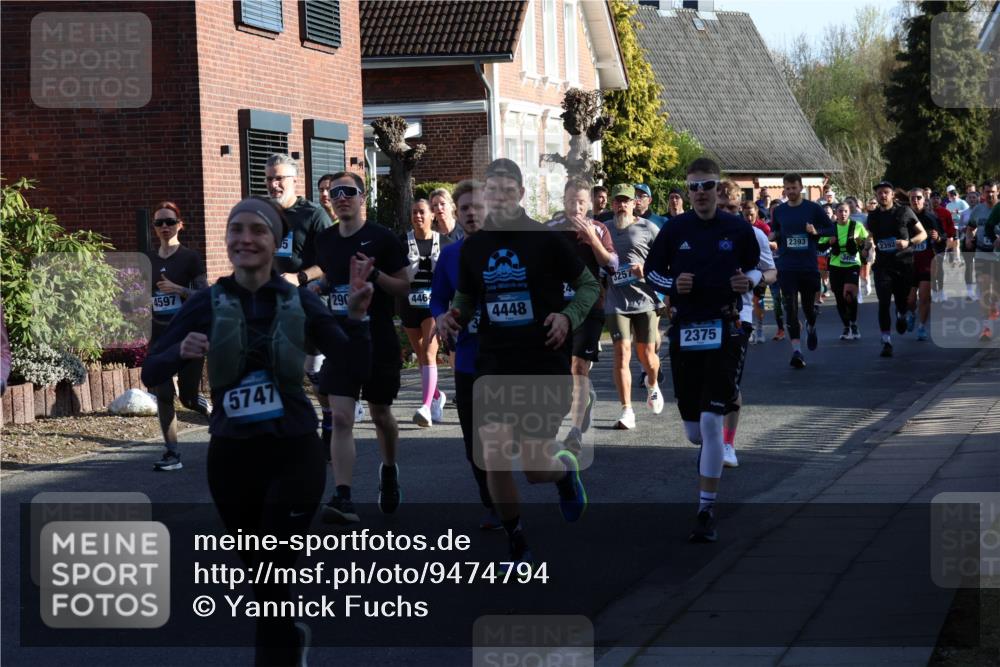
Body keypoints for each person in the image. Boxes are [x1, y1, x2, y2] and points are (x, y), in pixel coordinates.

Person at [141, 196, 373, 666]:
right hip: (231, 456)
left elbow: (351, 363)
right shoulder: (208, 301)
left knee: (274, 569)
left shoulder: (299, 300)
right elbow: (151, 372)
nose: (245, 238)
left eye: (257, 230)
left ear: (274, 241)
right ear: (226, 240)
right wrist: (179, 351)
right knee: (261, 576)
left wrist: (359, 317)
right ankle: (287, 637)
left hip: (294, 451)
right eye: (236, 230)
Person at [437, 158, 598, 564]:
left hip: (542, 359)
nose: (499, 198)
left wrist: (567, 316)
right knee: (491, 453)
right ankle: (517, 538)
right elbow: (467, 297)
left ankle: (563, 472)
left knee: (534, 467)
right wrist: (452, 316)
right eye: (493, 192)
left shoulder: (545, 240)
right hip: (493, 362)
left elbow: (588, 285)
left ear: (522, 195)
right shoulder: (474, 247)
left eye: (508, 191)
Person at [645, 157, 761, 542]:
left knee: (712, 423)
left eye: (706, 186)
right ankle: (708, 454)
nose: (699, 194)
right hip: (686, 330)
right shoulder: (675, 229)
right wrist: (672, 283)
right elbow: (652, 271)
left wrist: (751, 281)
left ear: (717, 188)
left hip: (725, 327)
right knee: (694, 432)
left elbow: (757, 266)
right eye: (692, 187)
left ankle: (705, 509)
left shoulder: (736, 227)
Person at [313, 172, 412, 524]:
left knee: (380, 415)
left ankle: (388, 468)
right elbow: (332, 276)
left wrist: (375, 279)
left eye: (348, 192)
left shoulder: (382, 238)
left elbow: (404, 285)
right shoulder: (324, 240)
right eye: (334, 192)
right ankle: (343, 496)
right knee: (340, 417)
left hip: (379, 339)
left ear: (362, 196)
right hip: (341, 339)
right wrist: (318, 288)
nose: (341, 197)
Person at [430, 180, 498, 528]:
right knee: (475, 443)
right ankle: (495, 506)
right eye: (465, 209)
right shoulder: (450, 255)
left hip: (506, 358)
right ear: (457, 215)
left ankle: (556, 475)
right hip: (469, 359)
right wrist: (440, 316)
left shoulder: (507, 251)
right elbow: (437, 297)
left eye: (477, 207)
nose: (471, 213)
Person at [545, 178, 618, 450]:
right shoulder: (549, 230)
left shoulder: (599, 229)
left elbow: (612, 265)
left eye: (581, 202)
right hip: (557, 309)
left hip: (590, 307)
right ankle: (583, 401)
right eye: (571, 201)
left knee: (578, 367)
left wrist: (592, 242)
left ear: (588, 204)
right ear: (563, 202)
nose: (576, 207)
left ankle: (574, 432)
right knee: (561, 370)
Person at [145, 201, 210, 471]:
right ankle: (172, 453)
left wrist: (178, 289)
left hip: (187, 335)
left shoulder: (190, 258)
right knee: (162, 394)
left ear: (180, 225)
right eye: (159, 223)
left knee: (188, 399)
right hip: (159, 335)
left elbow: (205, 296)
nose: (164, 227)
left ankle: (210, 411)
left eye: (169, 222)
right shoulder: (148, 259)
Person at [722, 190, 776, 467]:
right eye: (723, 207)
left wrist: (753, 279)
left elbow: (771, 271)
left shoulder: (754, 235)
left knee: (729, 381)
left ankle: (728, 443)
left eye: (733, 208)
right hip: (700, 315)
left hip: (738, 314)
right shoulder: (695, 231)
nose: (728, 213)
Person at [605, 183, 663, 429]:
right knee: (621, 354)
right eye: (617, 201)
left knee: (647, 356)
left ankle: (652, 383)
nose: (621, 205)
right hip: (616, 301)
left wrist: (645, 269)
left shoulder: (648, 228)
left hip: (645, 300)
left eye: (626, 201)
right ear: (612, 204)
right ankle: (627, 410)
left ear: (634, 203)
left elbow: (664, 260)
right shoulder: (604, 229)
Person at [769, 173, 835, 369]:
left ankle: (811, 325)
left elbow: (830, 229)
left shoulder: (813, 208)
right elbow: (776, 230)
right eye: (787, 188)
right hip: (787, 266)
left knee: (807, 308)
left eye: (793, 188)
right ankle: (796, 350)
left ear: (801, 188)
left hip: (807, 265)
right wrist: (771, 236)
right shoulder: (779, 211)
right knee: (790, 307)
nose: (790, 192)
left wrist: (816, 232)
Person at [400, 199, 452, 426]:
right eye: (414, 213)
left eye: (422, 212)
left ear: (432, 215)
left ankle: (425, 407)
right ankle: (437, 397)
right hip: (409, 305)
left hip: (434, 306)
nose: (417, 216)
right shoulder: (403, 242)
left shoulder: (444, 242)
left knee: (430, 354)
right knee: (421, 357)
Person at [867, 181, 927, 358]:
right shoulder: (873, 216)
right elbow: (871, 237)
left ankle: (902, 315)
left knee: (903, 302)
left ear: (892, 194)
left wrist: (908, 242)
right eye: (879, 193)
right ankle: (886, 341)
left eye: (886, 192)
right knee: (884, 302)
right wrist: (867, 245)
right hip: (883, 266)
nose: (883, 196)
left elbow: (922, 234)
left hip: (903, 264)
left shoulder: (904, 211)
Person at [819, 202, 870, 340]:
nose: (843, 214)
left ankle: (853, 322)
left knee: (849, 294)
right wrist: (829, 242)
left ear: (849, 212)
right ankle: (846, 326)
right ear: (836, 213)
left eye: (846, 211)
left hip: (853, 263)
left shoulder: (856, 226)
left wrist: (865, 247)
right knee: (840, 298)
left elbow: (866, 241)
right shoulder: (831, 227)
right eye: (840, 211)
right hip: (836, 265)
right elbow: (820, 246)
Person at [906, 188, 946, 341]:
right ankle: (911, 313)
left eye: (918, 197)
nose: (915, 200)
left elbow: (943, 236)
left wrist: (937, 238)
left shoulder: (931, 218)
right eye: (913, 198)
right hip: (909, 263)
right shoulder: (905, 217)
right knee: (909, 300)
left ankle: (922, 326)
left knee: (924, 297)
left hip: (926, 262)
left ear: (924, 200)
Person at [965, 188, 1000, 341]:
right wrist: (968, 238)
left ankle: (993, 306)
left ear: (997, 192)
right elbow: (971, 228)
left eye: (992, 191)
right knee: (984, 288)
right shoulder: (978, 210)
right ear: (983, 194)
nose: (990, 195)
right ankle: (986, 329)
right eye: (987, 192)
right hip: (982, 254)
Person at [741, 200, 773, 343]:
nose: (749, 218)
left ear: (757, 214)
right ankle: (749, 328)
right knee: (745, 302)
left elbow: (771, 245)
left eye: (751, 215)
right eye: (746, 215)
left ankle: (759, 327)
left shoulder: (763, 228)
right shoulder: (738, 227)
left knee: (757, 301)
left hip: (760, 270)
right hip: (744, 271)